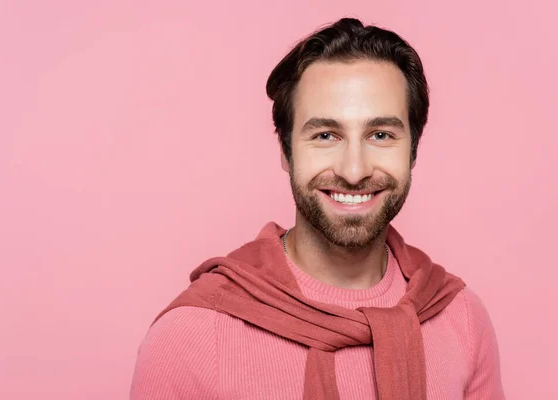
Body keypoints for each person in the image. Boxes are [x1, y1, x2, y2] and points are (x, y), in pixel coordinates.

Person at [130, 17, 504, 400]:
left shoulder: (463, 319)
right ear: (286, 152)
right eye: (326, 135)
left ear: (413, 150)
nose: (354, 171)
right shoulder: (187, 338)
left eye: (380, 135)